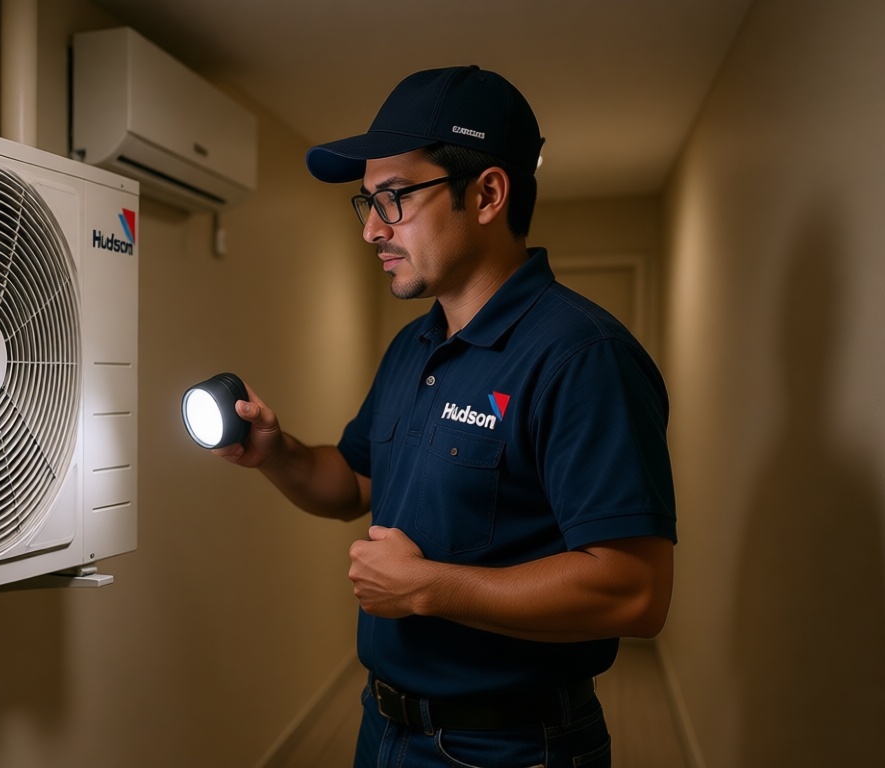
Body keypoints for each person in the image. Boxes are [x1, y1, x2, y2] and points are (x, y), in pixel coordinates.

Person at [213, 65, 676, 767]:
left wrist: (431, 589)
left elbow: (636, 592)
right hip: (385, 726)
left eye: (394, 198)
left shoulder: (583, 357)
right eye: (365, 203)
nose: (370, 229)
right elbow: (357, 485)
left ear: (488, 193)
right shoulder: (414, 345)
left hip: (511, 746)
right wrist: (278, 454)